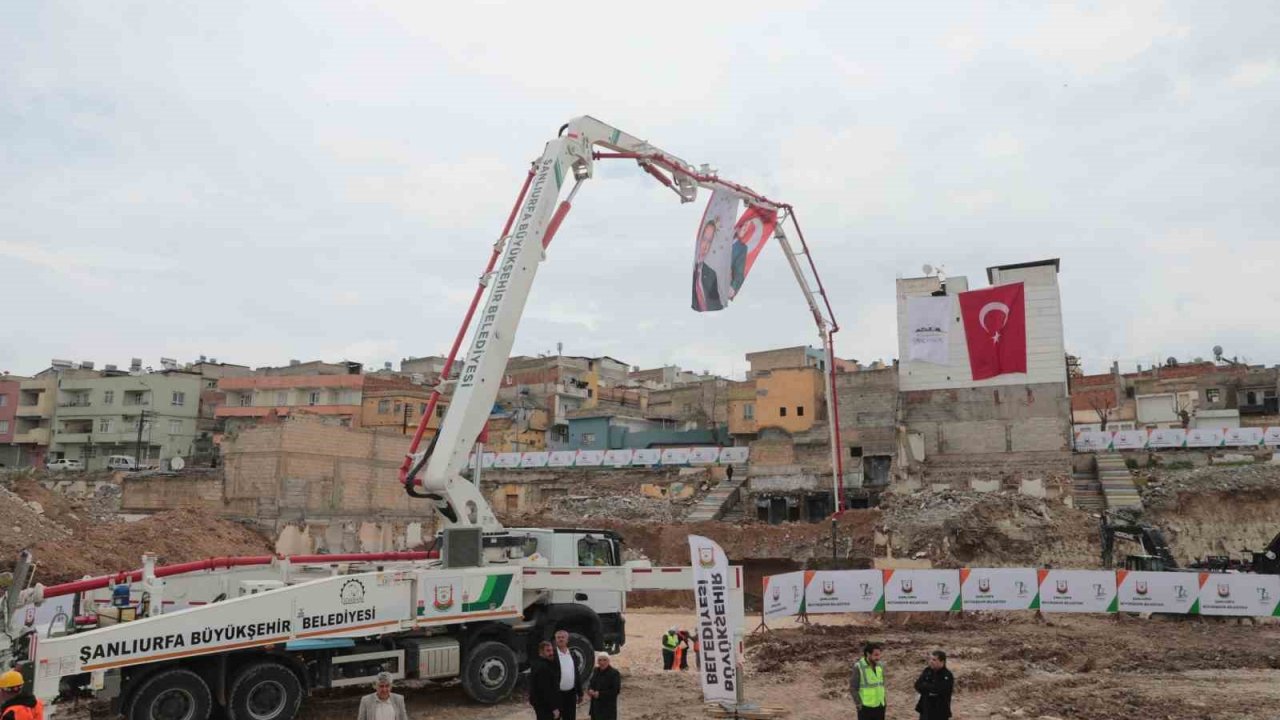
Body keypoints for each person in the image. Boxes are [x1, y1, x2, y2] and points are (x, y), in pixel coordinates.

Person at [692, 220, 725, 311]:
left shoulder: (711, 274)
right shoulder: (692, 268)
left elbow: (716, 305)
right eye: (704, 239)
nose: (705, 246)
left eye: (710, 241)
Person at [850, 641, 886, 720]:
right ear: (868, 654)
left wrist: (884, 701)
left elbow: (881, 685)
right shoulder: (858, 667)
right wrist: (859, 705)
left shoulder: (881, 665)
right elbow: (853, 688)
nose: (878, 657)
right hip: (865, 708)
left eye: (879, 654)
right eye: (876, 655)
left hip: (880, 706)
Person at [913, 650, 954, 720]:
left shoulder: (947, 675)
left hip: (939, 712)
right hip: (925, 709)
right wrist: (929, 689)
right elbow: (917, 685)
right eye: (930, 659)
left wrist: (925, 686)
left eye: (934, 660)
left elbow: (938, 690)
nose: (931, 661)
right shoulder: (927, 671)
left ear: (942, 662)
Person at [553, 630, 583, 720]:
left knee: (570, 717)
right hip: (557, 694)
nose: (561, 639)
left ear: (567, 640)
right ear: (555, 640)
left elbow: (576, 674)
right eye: (558, 637)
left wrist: (580, 693)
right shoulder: (552, 656)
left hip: (571, 694)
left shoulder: (573, 654)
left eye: (563, 637)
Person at [529, 641, 561, 720]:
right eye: (548, 651)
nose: (551, 653)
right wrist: (554, 708)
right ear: (541, 652)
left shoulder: (537, 664)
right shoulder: (543, 667)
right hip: (546, 706)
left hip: (540, 704)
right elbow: (546, 690)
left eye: (551, 650)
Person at [586, 652, 621, 720]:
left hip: (608, 709)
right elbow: (591, 683)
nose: (602, 662)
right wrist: (590, 690)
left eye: (604, 660)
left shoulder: (614, 673)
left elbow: (615, 691)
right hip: (595, 708)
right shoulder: (596, 670)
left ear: (609, 661)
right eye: (600, 660)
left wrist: (600, 694)